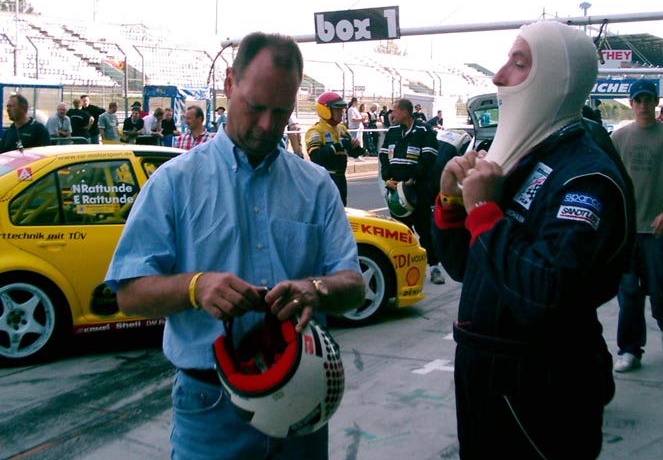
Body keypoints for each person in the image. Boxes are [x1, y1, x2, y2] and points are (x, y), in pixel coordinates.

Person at [105, 31, 364, 460]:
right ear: (229, 84)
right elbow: (128, 293)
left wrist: (315, 289)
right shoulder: (173, 183)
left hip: (302, 398)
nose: (267, 125)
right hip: (209, 410)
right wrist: (196, 287)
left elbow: (353, 285)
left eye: (280, 112)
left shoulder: (316, 186)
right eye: (255, 107)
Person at [432, 22, 634, 459]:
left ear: (557, 79)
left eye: (519, 63)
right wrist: (451, 204)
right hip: (486, 373)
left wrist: (483, 209)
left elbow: (544, 294)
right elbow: (467, 268)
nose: (498, 76)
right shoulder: (521, 159)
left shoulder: (586, 177)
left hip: (540, 385)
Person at [611, 79, 663, 373]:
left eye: (648, 100)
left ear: (656, 103)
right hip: (627, 232)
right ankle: (630, 349)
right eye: (638, 100)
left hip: (656, 231)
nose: (643, 106)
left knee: (658, 287)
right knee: (628, 291)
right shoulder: (619, 138)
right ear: (631, 104)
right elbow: (609, 180)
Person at [380, 98, 442, 284]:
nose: (392, 115)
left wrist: (414, 178)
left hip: (418, 190)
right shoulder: (392, 132)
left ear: (405, 112)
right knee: (401, 233)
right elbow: (383, 156)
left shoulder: (424, 131)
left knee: (425, 230)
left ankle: (434, 268)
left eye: (395, 111)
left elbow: (429, 157)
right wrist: (387, 179)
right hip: (396, 191)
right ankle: (405, 272)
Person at [306, 91, 362, 204]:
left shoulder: (342, 128)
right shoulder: (315, 131)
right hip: (325, 179)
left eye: (342, 110)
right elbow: (316, 156)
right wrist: (338, 146)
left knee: (342, 208)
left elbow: (354, 153)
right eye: (337, 110)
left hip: (341, 178)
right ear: (325, 110)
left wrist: (355, 147)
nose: (341, 113)